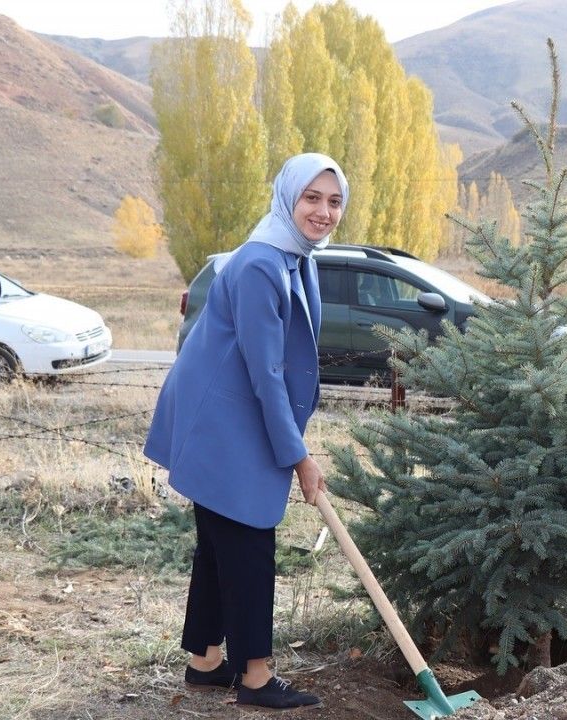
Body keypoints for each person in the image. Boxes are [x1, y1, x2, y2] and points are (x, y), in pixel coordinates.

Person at [144, 153, 346, 710]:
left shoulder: (295, 256)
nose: (324, 212)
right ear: (287, 198)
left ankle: (206, 661)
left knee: (218, 544)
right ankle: (255, 677)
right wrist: (299, 457)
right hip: (222, 423)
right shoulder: (261, 264)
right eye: (312, 198)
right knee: (250, 541)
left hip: (232, 417)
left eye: (333, 201)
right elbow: (267, 372)